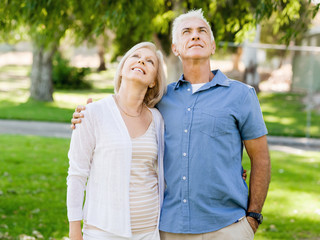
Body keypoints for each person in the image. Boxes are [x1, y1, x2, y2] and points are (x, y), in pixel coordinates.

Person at [71, 9, 271, 240]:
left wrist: (253, 217)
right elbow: (128, 106)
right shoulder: (163, 100)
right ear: (175, 48)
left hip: (228, 227)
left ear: (213, 45)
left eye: (202, 31)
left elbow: (261, 159)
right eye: (186, 32)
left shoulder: (241, 95)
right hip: (169, 228)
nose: (195, 36)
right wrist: (86, 115)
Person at [67, 42, 167, 240]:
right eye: (135, 56)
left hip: (149, 231)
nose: (141, 61)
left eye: (150, 61)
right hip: (102, 232)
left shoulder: (157, 119)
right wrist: (74, 229)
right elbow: (77, 174)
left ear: (153, 82)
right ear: (122, 69)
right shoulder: (92, 113)